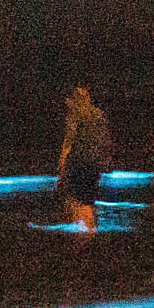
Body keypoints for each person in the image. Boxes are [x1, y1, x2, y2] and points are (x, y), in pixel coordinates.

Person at [56, 85, 112, 233]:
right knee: (88, 201)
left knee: (76, 200)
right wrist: (104, 162)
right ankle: (91, 233)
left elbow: (69, 142)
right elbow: (105, 141)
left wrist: (62, 166)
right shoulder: (98, 116)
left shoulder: (75, 116)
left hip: (78, 163)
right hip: (94, 164)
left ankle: (83, 238)